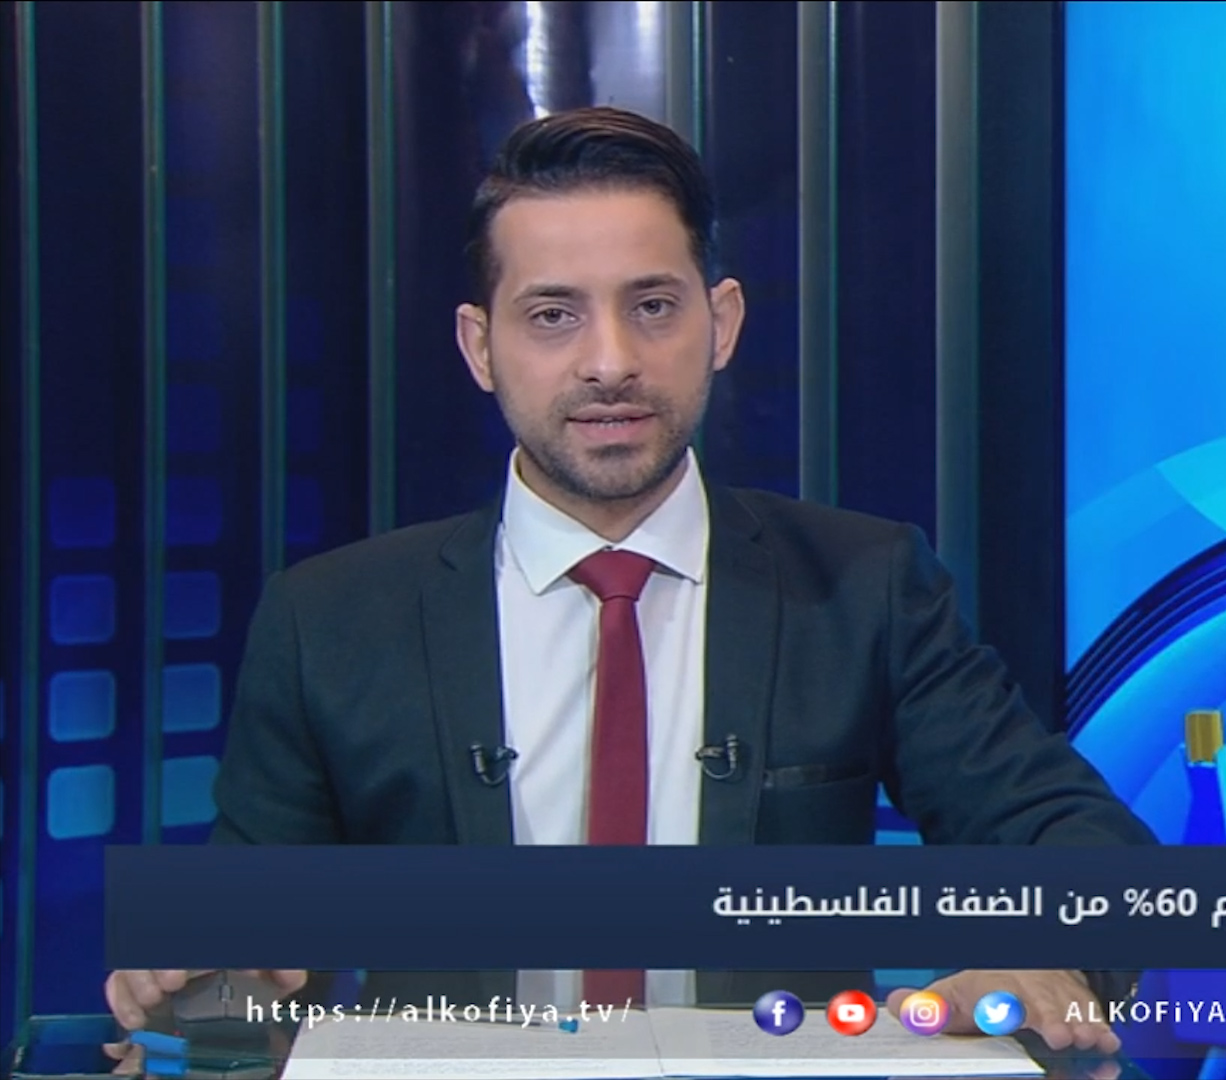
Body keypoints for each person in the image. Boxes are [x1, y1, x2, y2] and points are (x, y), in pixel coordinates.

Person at [105, 105, 1153, 1061]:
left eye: (652, 305)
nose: (610, 361)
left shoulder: (865, 586)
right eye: (552, 315)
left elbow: (1084, 851)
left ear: (722, 322)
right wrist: (205, 989)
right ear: (480, 345)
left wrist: (1047, 964)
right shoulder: (329, 619)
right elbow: (246, 966)